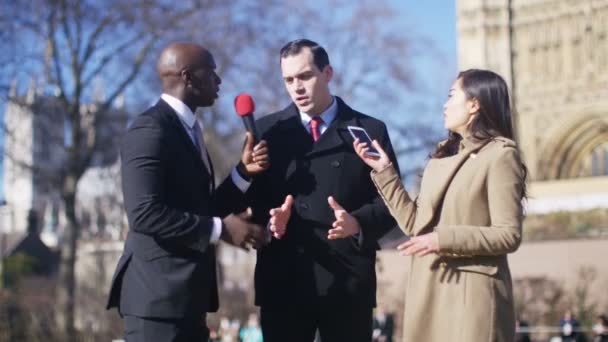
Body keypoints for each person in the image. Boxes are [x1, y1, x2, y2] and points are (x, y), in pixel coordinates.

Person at [106, 42, 269, 342]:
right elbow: (144, 213)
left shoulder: (189, 130)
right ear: (188, 77)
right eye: (212, 73)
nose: (219, 82)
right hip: (156, 305)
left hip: (188, 301)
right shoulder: (150, 129)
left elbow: (201, 207)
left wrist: (243, 173)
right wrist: (221, 229)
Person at [354, 69, 527, 341]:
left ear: (474, 104)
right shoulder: (440, 156)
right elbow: (415, 224)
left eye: (451, 95)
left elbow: (508, 234)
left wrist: (442, 239)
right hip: (429, 289)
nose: (444, 104)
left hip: (473, 295)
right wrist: (385, 171)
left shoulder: (501, 155)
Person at [246, 39, 400, 341]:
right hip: (283, 282)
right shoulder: (266, 132)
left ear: (327, 73)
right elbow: (249, 202)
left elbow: (393, 203)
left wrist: (357, 223)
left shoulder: (370, 130)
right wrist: (269, 220)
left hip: (347, 282)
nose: (297, 87)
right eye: (289, 80)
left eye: (305, 76)